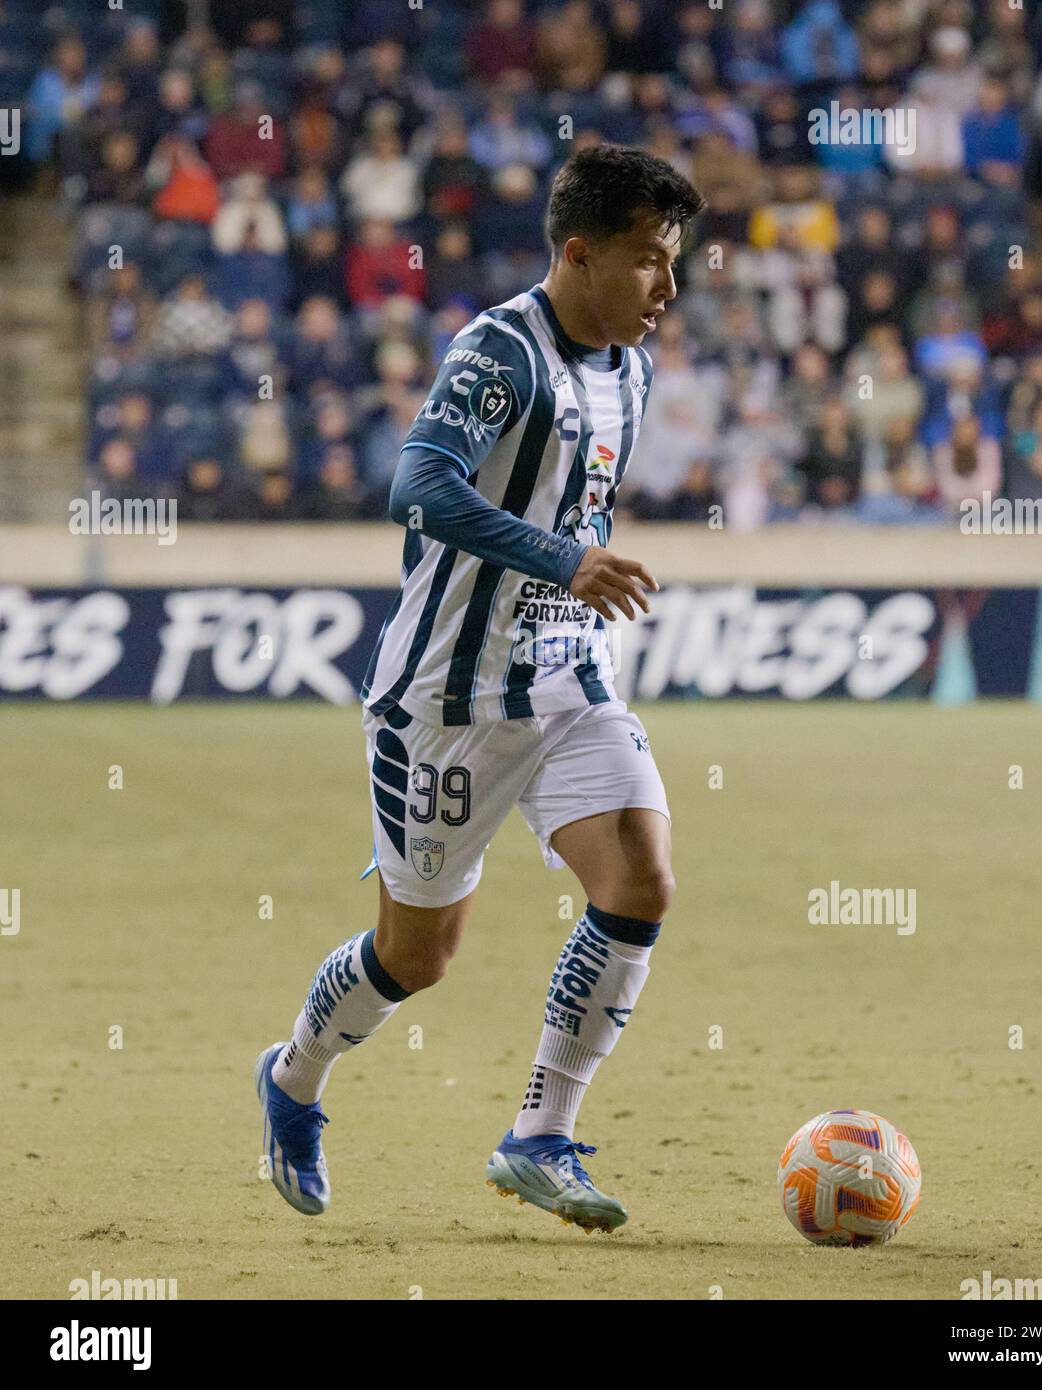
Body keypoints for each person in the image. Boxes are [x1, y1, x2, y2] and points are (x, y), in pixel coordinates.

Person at [255, 145, 704, 1234]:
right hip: (443, 703)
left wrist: (572, 569)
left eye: (673, 262)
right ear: (578, 252)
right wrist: (562, 562)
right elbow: (416, 486)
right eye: (648, 261)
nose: (666, 287)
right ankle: (293, 1075)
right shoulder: (498, 350)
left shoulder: (630, 371)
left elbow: (573, 506)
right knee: (418, 955)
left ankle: (538, 1133)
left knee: (642, 875)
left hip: (562, 677)